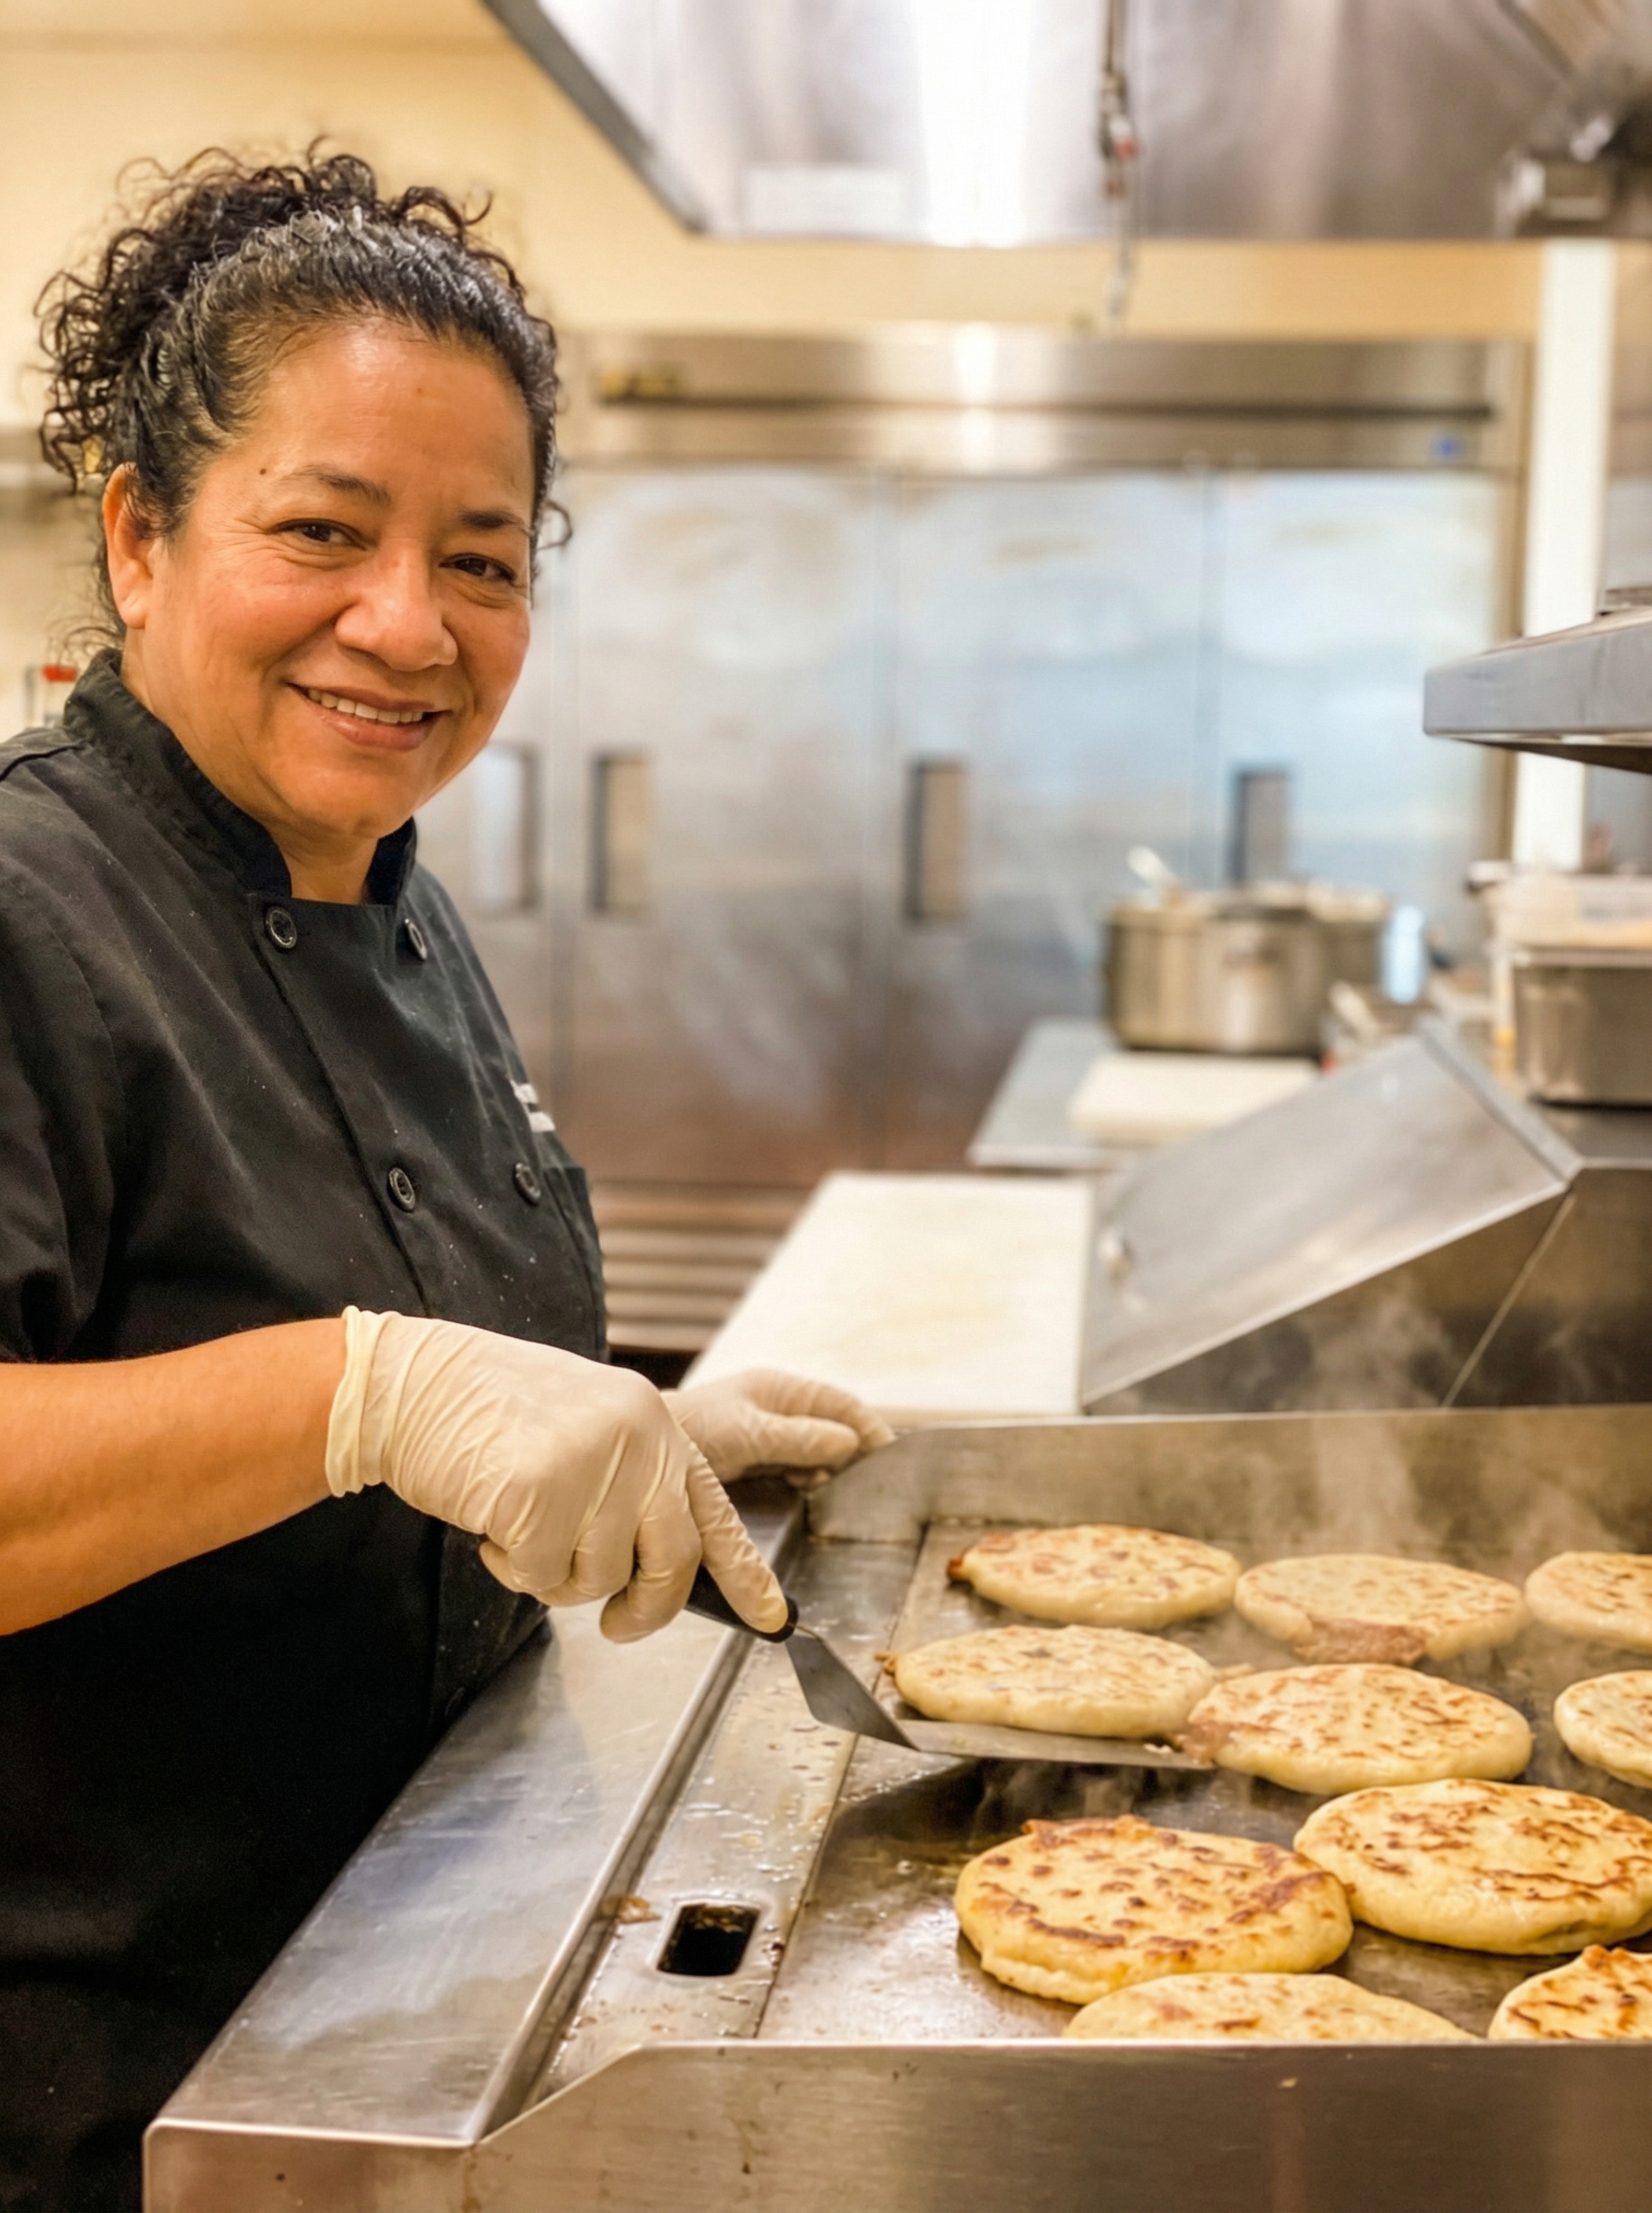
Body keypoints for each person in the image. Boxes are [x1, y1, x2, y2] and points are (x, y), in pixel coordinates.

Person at [0, 148, 891, 2213]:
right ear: (139, 540)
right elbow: (326, 1387)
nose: (405, 625)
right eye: (320, 532)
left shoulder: (396, 907)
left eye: (483, 562)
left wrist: (612, 1435)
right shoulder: (32, 907)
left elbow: (368, 1413)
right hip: (108, 2100)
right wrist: (365, 1389)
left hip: (402, 2026)